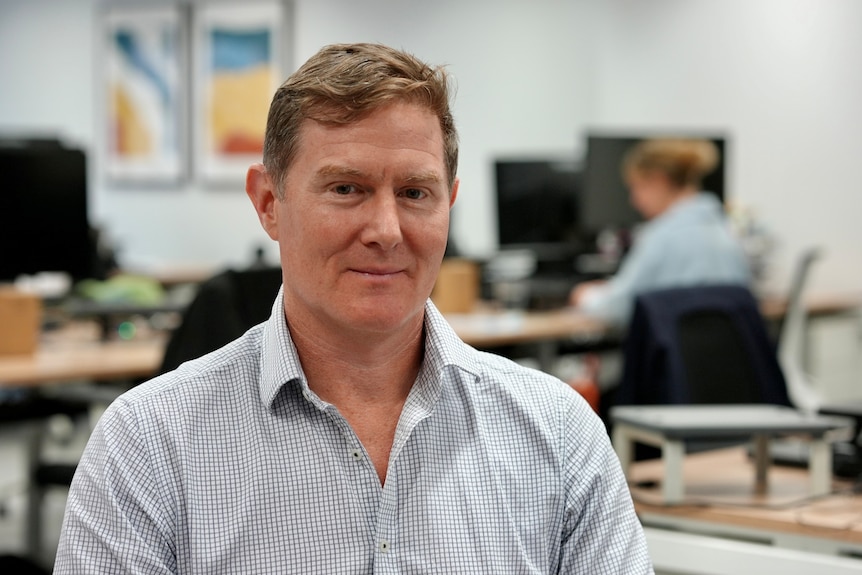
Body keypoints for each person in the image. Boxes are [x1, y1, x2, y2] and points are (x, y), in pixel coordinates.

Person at [54, 43, 652, 574]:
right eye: (347, 189)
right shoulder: (149, 446)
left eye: (416, 193)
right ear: (268, 202)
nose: (387, 230)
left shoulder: (560, 436)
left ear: (451, 204)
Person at [570, 138, 750, 327]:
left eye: (636, 187)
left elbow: (620, 307)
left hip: (676, 354)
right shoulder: (725, 233)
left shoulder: (662, 237)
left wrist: (586, 297)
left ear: (658, 180)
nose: (634, 201)